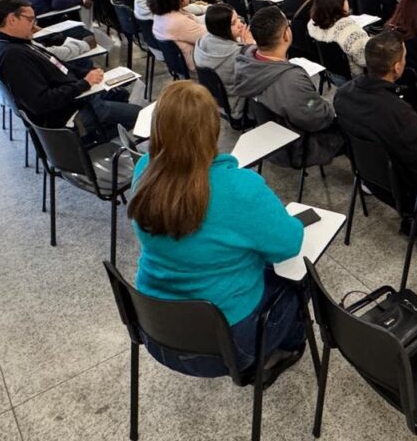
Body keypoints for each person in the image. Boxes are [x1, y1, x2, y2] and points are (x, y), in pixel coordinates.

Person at [128, 81, 306, 378]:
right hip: (229, 346)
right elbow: (289, 244)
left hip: (155, 331)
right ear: (214, 129)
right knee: (300, 280)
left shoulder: (143, 169)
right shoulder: (239, 187)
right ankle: (286, 349)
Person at [334, 31, 417, 253]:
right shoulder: (398, 112)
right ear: (397, 67)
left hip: (370, 178)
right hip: (409, 192)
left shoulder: (343, 95)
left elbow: (373, 129)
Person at [0, 0, 140, 142]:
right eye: (30, 19)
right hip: (67, 115)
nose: (34, 25)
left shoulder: (15, 43)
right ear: (12, 20)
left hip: (72, 97)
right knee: (140, 115)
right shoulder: (12, 57)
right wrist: (84, 84)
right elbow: (41, 102)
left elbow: (55, 64)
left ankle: (101, 135)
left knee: (120, 93)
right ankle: (86, 142)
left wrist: (85, 74)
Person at [233, 6, 344, 167]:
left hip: (270, 135)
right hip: (298, 146)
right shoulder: (291, 80)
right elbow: (319, 119)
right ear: (286, 34)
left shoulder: (245, 60)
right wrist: (329, 106)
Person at [0, 0, 92, 71]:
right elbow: (48, 55)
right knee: (83, 62)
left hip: (18, 87)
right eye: (29, 19)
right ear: (11, 18)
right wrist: (83, 45)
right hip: (44, 80)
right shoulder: (11, 43)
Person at [194, 3, 254, 120]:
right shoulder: (237, 54)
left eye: (238, 19)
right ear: (221, 28)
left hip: (217, 101)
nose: (241, 25)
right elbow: (257, 73)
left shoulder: (201, 42)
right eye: (233, 23)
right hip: (239, 105)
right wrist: (250, 47)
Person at [307, 0, 369, 78]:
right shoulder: (348, 31)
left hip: (332, 74)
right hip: (356, 78)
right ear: (338, 5)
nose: (348, 3)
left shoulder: (313, 24)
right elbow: (365, 60)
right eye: (346, 0)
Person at [150, 0, 207, 71]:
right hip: (199, 64)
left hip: (180, 62)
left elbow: (196, 20)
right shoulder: (178, 22)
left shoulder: (162, 15)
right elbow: (209, 37)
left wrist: (213, 14)